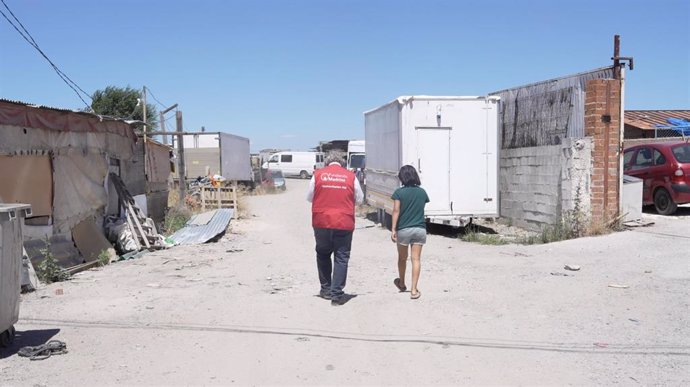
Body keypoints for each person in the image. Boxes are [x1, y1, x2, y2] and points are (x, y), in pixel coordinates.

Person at [306, 153, 364, 306]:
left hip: (321, 220)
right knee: (341, 256)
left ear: (327, 162)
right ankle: (336, 296)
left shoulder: (317, 175)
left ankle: (325, 290)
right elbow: (359, 199)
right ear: (342, 163)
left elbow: (309, 197)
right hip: (344, 221)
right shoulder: (351, 176)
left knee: (323, 254)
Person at [391, 165, 429, 300]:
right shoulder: (422, 192)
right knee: (416, 259)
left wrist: (393, 229)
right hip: (420, 229)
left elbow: (396, 211)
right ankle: (414, 290)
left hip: (404, 230)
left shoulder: (399, 193)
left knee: (402, 258)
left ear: (402, 177)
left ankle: (401, 283)